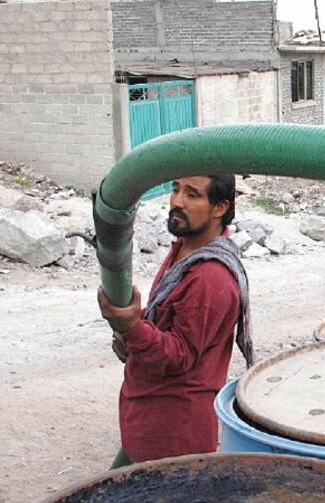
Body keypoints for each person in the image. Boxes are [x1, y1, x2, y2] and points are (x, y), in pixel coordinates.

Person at [98, 174, 254, 467]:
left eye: (192, 194)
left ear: (219, 207)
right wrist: (134, 326)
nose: (176, 202)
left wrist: (131, 327)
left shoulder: (210, 277)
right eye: (175, 189)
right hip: (147, 419)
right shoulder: (185, 250)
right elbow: (164, 322)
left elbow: (178, 356)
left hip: (172, 437)